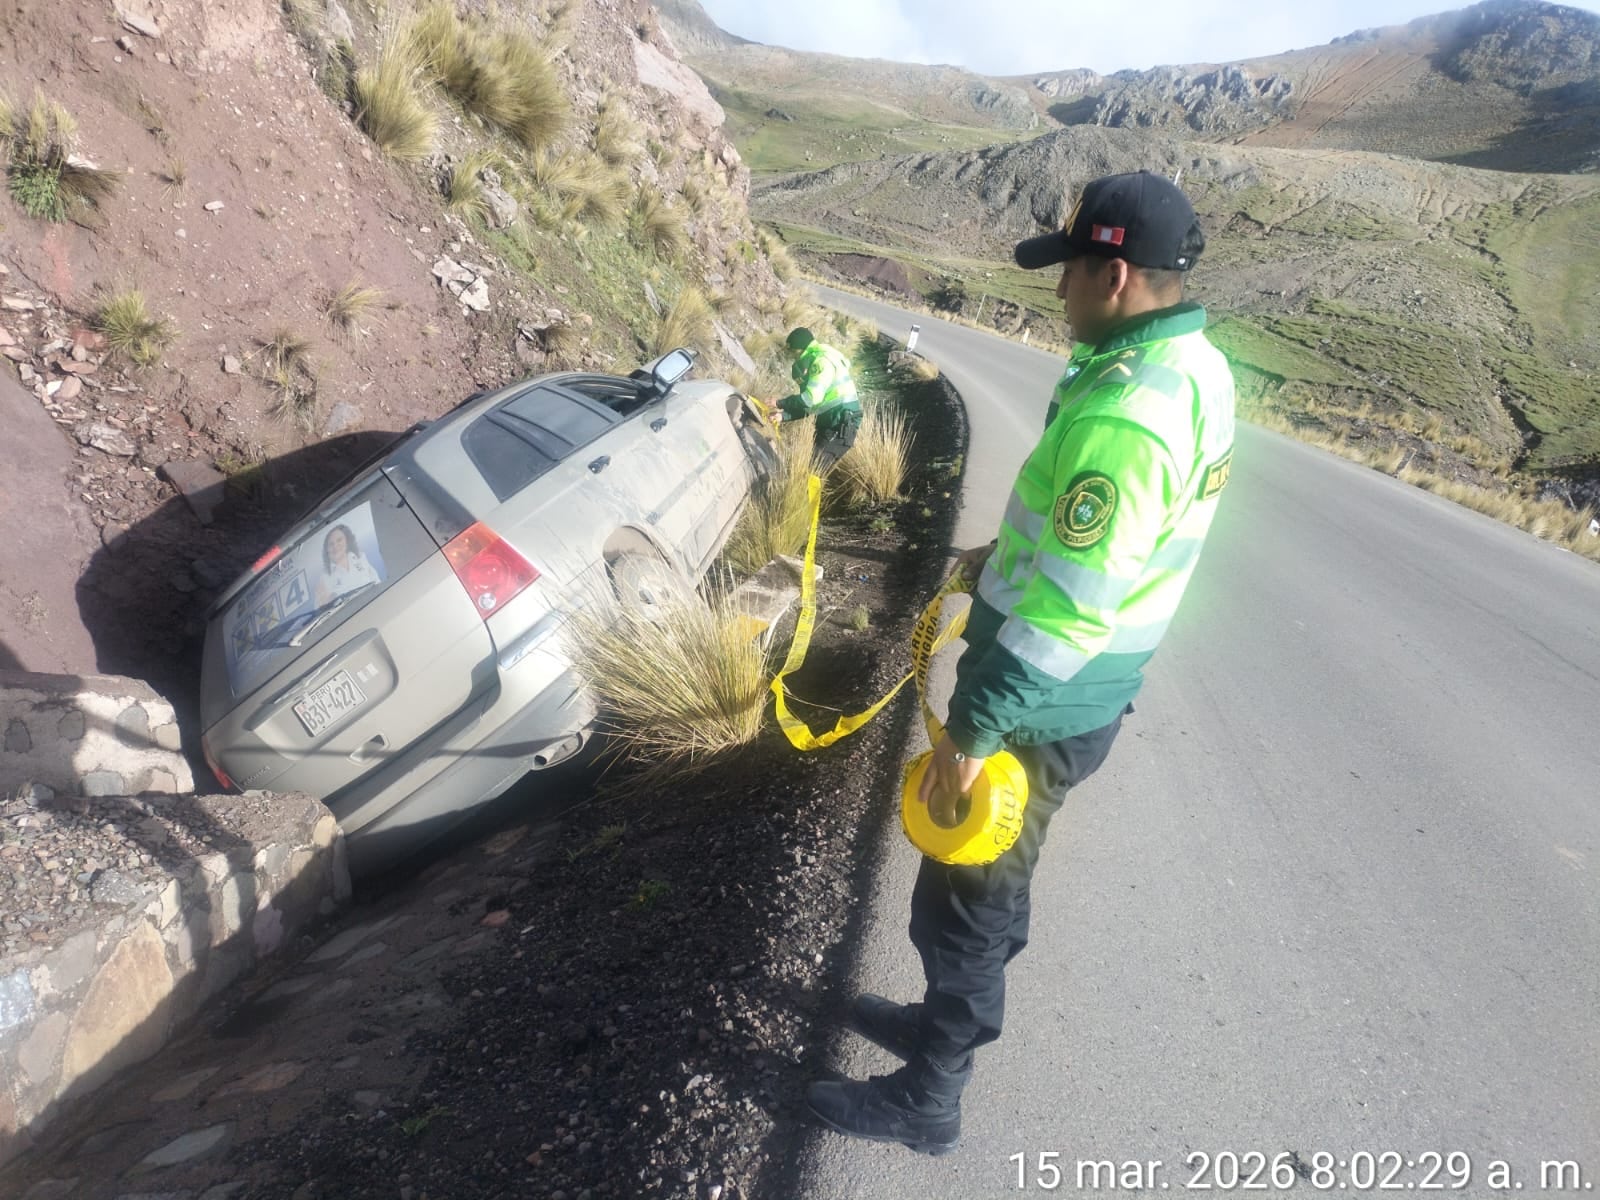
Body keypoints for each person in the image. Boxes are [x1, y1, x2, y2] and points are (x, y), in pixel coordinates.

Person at [806, 171, 1238, 1154]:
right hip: (1082, 698)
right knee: (991, 888)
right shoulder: (1193, 367)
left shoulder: (1127, 412)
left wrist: (975, 727)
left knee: (964, 896)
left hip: (1039, 706)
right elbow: (1113, 545)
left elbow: (1077, 598)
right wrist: (995, 556)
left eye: (1070, 273)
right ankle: (942, 1029)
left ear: (1114, 273)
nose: (1060, 294)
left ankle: (929, 1098)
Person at [774, 327, 863, 470]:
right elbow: (810, 407)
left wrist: (779, 403)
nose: (793, 358)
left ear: (801, 349)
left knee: (814, 471)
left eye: (793, 353)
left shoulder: (821, 362)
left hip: (839, 426)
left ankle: (805, 492)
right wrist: (783, 416)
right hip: (833, 423)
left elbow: (809, 400)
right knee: (813, 469)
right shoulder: (821, 355)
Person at [314, 523, 379, 605]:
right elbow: (320, 608)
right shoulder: (324, 578)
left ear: (347, 541)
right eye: (331, 544)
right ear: (327, 550)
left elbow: (377, 581)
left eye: (339, 540)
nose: (335, 546)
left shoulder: (360, 557)